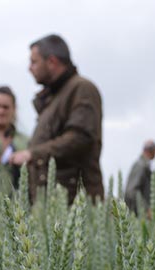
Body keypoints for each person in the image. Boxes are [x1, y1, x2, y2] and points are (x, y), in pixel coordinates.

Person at [10, 34, 104, 203]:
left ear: (52, 62)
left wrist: (32, 154)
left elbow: (80, 138)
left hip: (74, 204)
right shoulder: (54, 97)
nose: (29, 68)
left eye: (34, 62)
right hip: (53, 204)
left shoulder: (81, 88)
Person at [124, 140, 155, 215]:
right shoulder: (140, 165)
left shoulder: (145, 166)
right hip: (137, 217)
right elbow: (131, 192)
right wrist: (146, 209)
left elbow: (153, 189)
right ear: (152, 151)